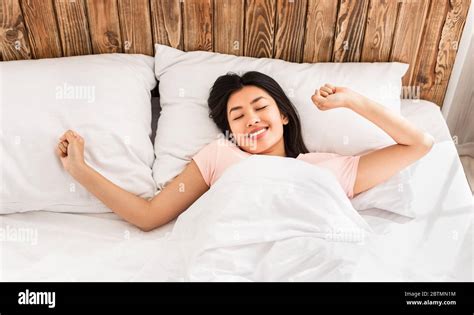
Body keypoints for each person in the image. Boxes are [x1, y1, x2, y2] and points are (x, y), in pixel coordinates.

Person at [56, 71, 434, 232]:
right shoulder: (219, 157)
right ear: (230, 132)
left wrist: (352, 100)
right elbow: (149, 215)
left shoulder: (328, 168)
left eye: (260, 107)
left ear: (284, 115)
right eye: (237, 115)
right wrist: (80, 171)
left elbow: (419, 144)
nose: (251, 119)